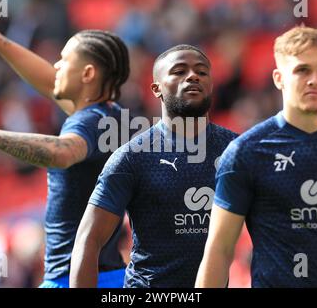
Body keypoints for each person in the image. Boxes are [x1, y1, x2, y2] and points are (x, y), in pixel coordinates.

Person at [0, 11, 131, 288]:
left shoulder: (89, 120)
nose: (56, 66)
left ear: (87, 74)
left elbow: (62, 153)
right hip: (108, 275)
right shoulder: (112, 116)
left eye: (65, 60)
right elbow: (49, 82)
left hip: (74, 278)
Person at [195, 26, 317, 288]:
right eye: (302, 70)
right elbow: (219, 250)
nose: (314, 79)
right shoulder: (245, 152)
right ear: (279, 78)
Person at [69, 44, 238, 287]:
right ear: (156, 88)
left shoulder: (236, 151)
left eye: (202, 72)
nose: (193, 76)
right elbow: (88, 239)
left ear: (211, 84)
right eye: (179, 71)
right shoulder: (132, 158)